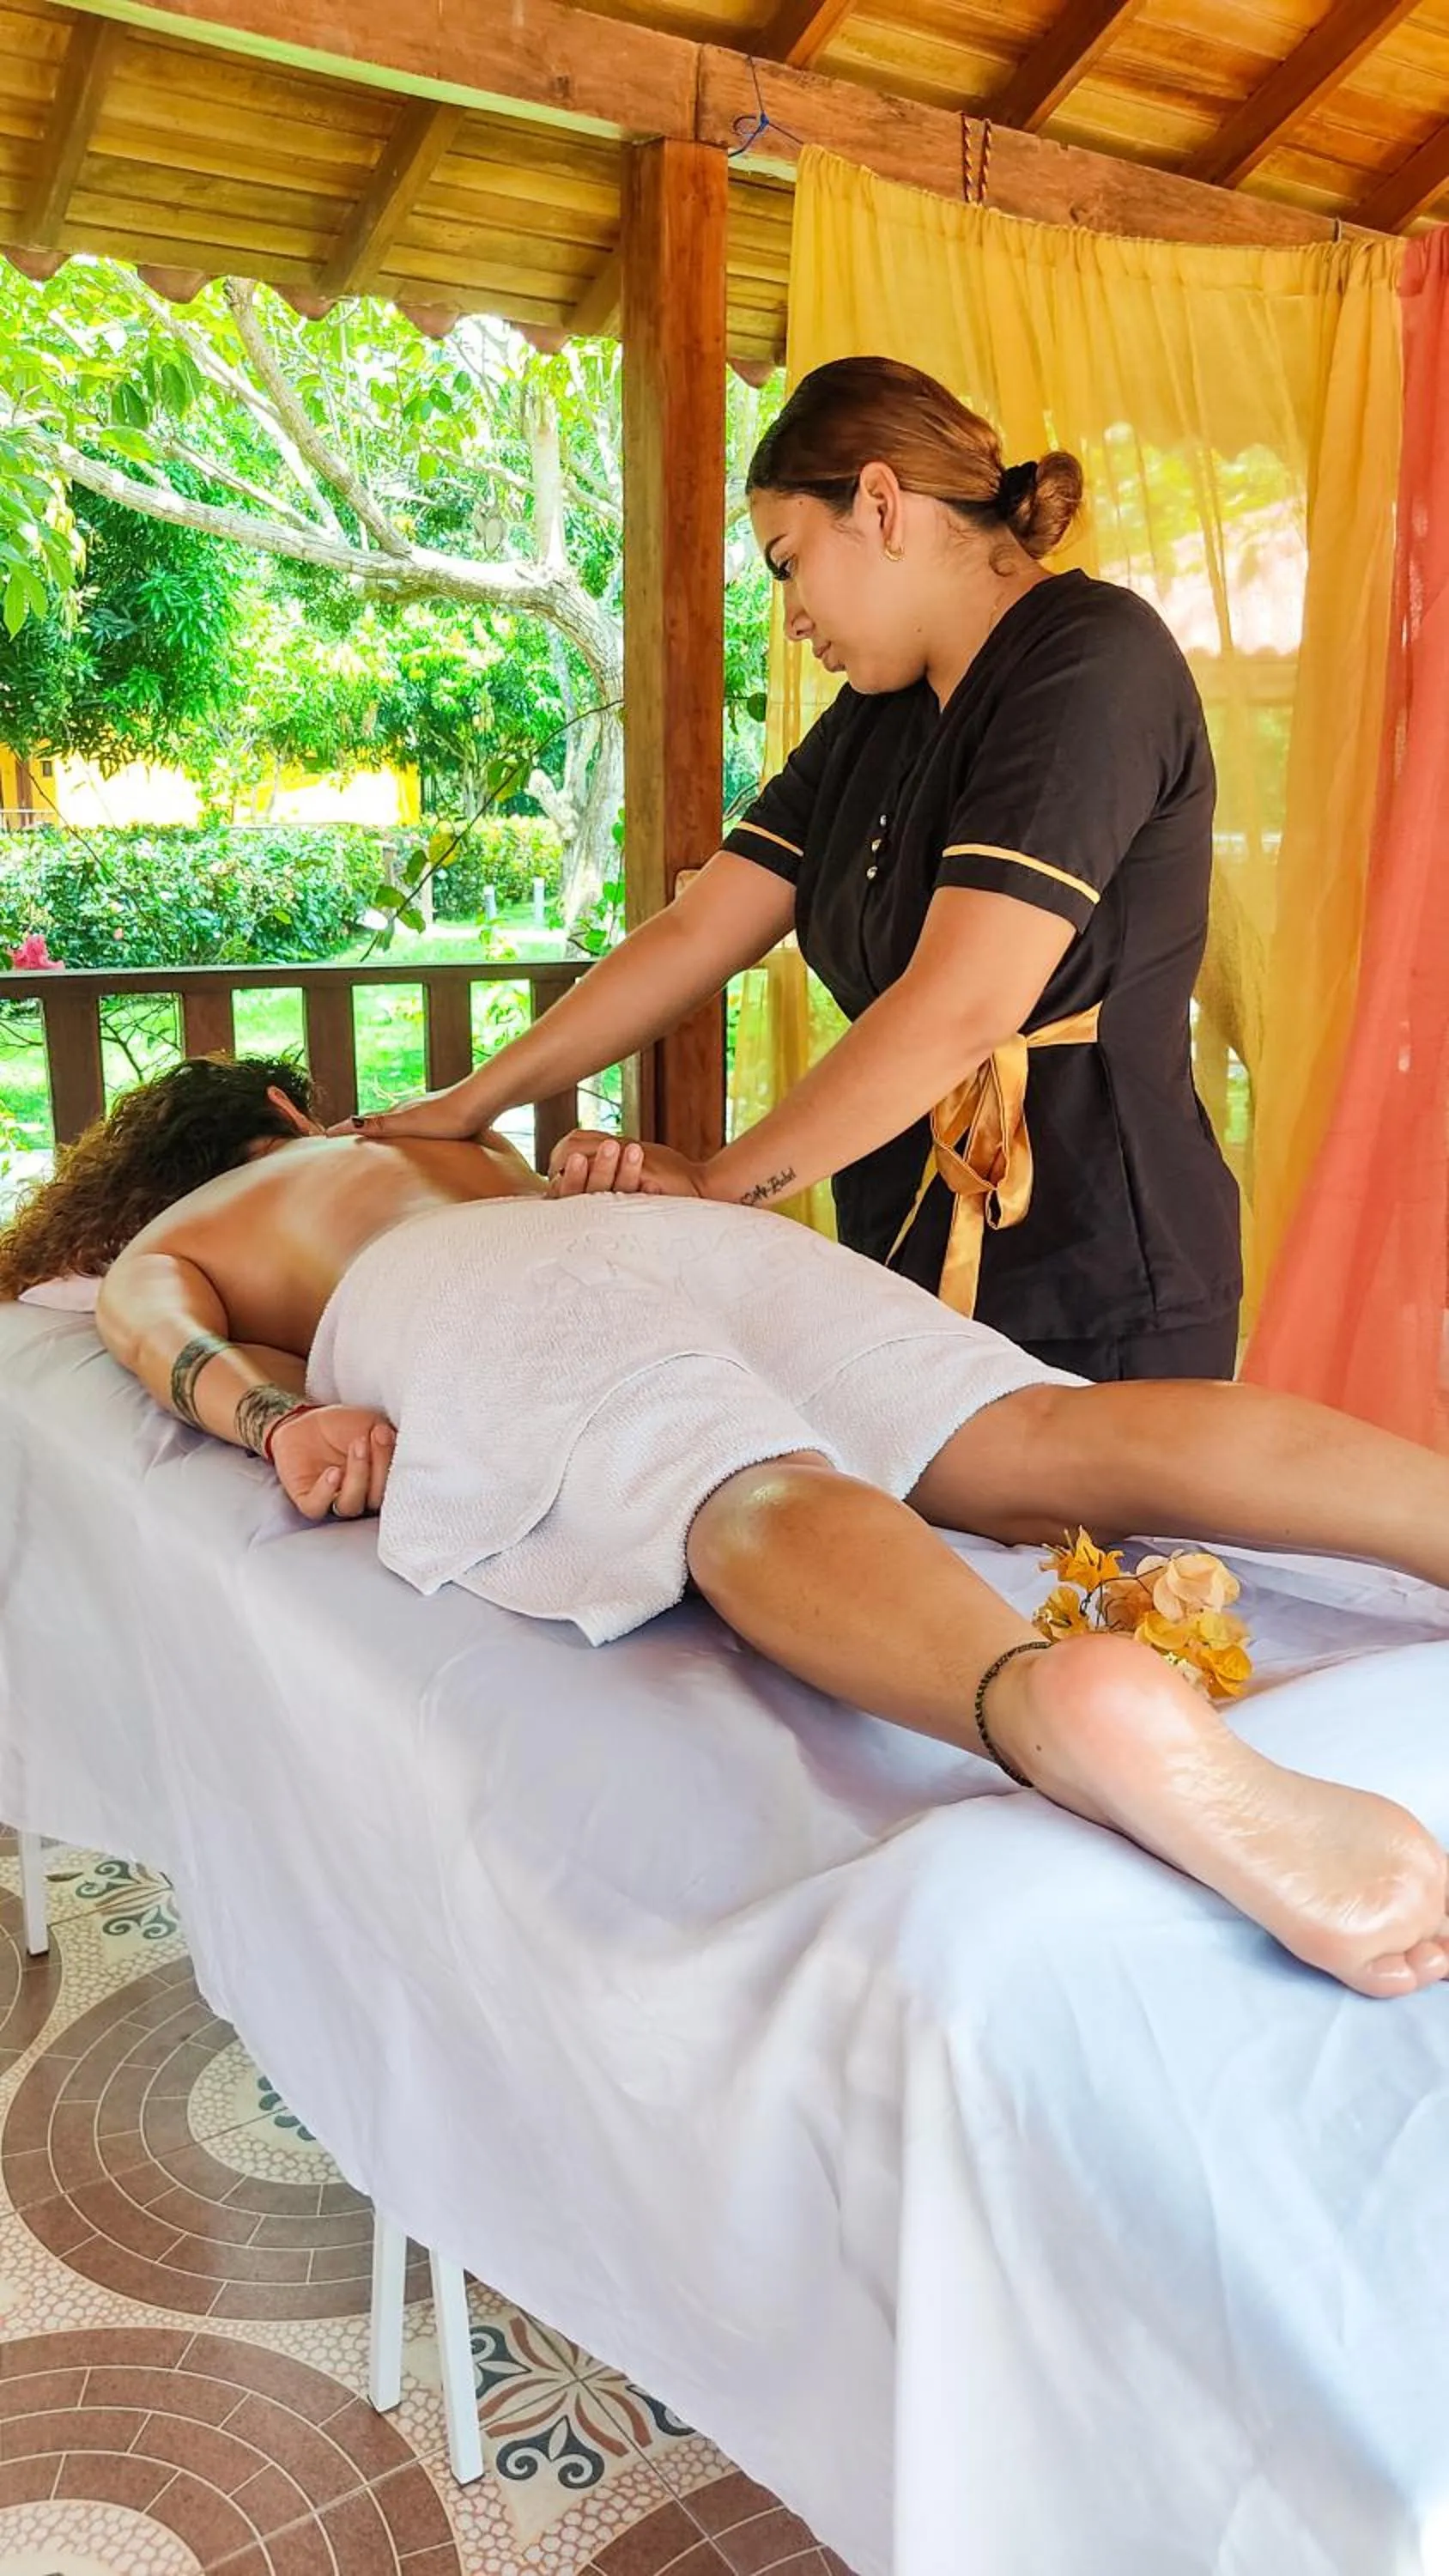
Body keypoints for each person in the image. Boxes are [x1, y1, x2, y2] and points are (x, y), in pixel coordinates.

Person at [5, 1054, 1447, 2002]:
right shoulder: (441, 1140)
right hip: (688, 1235)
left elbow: (152, 1337)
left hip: (448, 1285)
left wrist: (277, 1421)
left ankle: (1031, 1691)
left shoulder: (190, 1230)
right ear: (286, 1109)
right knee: (1033, 1435)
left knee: (730, 1482)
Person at [352, 355, 1241, 1382]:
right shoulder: (877, 717)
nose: (791, 616)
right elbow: (696, 932)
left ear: (878, 503)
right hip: (901, 1264)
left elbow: (963, 1002)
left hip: (1102, 1278)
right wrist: (469, 1102)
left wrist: (719, 1190)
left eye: (786, 562)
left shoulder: (1093, 661)